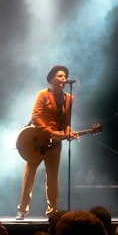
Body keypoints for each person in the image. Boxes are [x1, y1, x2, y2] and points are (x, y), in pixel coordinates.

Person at [15, 64, 77, 220]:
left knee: (53, 177)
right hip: (37, 141)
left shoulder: (69, 98)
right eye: (60, 75)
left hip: (55, 144)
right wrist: (51, 132)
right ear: (52, 79)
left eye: (65, 76)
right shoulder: (42, 95)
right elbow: (35, 118)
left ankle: (52, 211)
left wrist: (68, 132)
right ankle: (22, 209)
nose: (64, 78)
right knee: (29, 175)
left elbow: (67, 121)